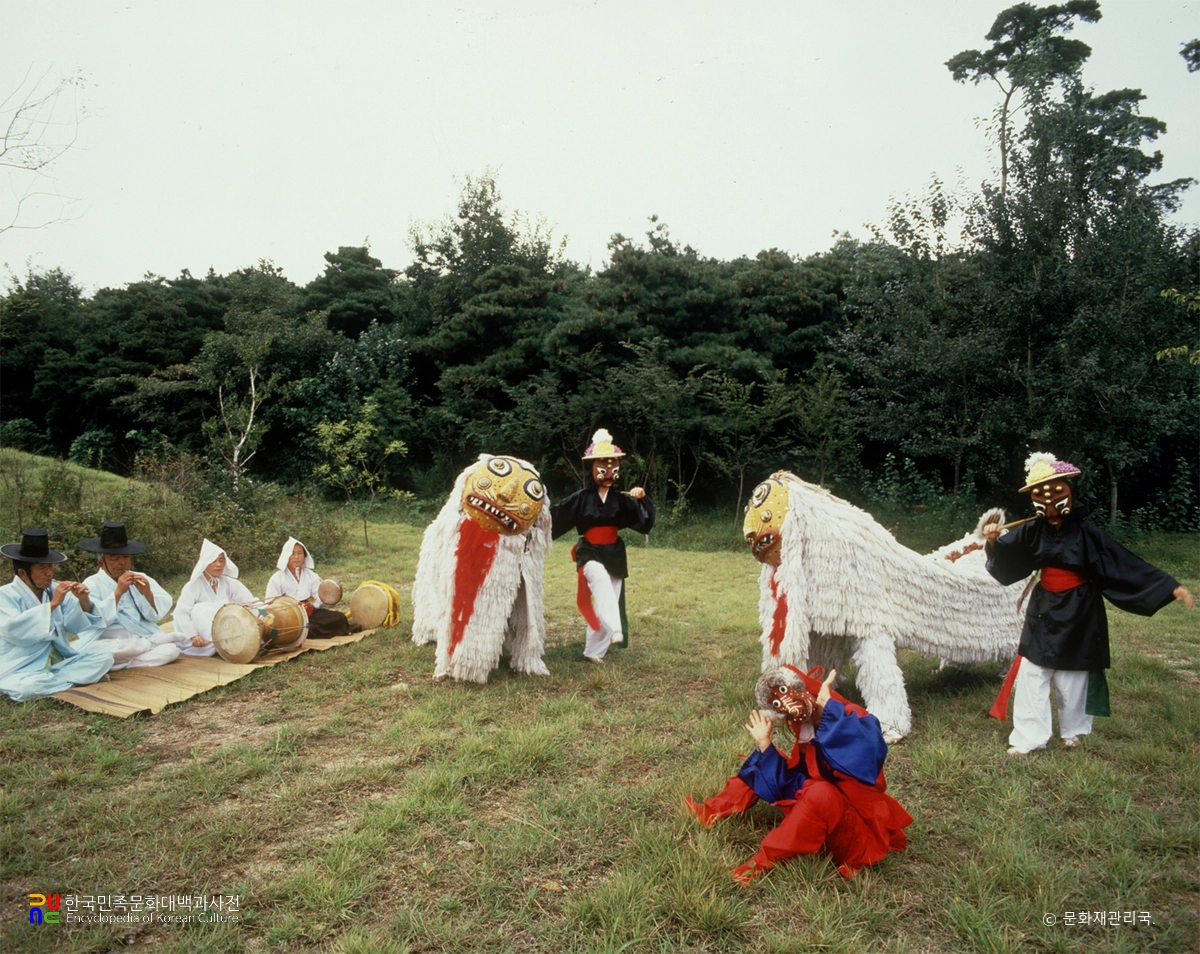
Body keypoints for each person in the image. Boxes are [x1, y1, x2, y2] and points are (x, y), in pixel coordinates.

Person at [984, 453, 1193, 755]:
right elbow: (1009, 557)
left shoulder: (1087, 533)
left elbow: (1123, 563)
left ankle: (1073, 730)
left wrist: (1168, 587)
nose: (1052, 510)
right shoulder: (1032, 529)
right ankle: (1030, 736)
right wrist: (992, 541)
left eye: (1058, 498)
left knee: (1074, 671)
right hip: (1043, 607)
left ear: (1069, 493)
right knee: (1033, 671)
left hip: (1080, 607)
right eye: (1043, 500)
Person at [684, 665, 912, 884]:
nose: (786, 703)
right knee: (766, 761)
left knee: (820, 792)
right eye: (776, 701)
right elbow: (801, 774)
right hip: (823, 812)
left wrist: (829, 712)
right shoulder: (805, 731)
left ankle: (762, 862)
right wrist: (765, 745)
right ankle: (710, 812)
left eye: (784, 692)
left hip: (856, 834)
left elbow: (871, 751)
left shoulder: (848, 715)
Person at [550, 428, 655, 663]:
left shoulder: (621, 499)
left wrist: (641, 499)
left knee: (609, 594)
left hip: (614, 552)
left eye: (613, 466)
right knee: (599, 577)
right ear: (592, 466)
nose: (608, 472)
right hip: (589, 551)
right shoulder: (580, 498)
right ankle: (615, 627)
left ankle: (593, 652)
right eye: (603, 466)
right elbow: (556, 515)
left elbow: (644, 522)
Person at [0, 528, 113, 702]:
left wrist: (83, 600)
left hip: (58, 662)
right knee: (26, 688)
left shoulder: (53, 590)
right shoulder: (5, 595)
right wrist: (52, 606)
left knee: (104, 657)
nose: (49, 573)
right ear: (23, 573)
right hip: (20, 665)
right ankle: (75, 680)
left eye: (50, 567)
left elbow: (72, 626)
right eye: (42, 568)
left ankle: (59, 681)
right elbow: (12, 629)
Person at [79, 522, 180, 670]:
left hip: (139, 636)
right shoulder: (91, 584)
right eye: (114, 558)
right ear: (101, 563)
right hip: (108, 639)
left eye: (125, 557)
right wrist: (118, 592)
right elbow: (94, 621)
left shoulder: (141, 578)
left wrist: (147, 593)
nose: (121, 563)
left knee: (171, 651)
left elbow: (156, 613)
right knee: (98, 650)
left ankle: (122, 664)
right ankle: (147, 647)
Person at [172, 539, 255, 657]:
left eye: (221, 560)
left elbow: (248, 601)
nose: (218, 564)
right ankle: (220, 644)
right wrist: (193, 635)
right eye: (213, 561)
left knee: (247, 606)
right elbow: (181, 613)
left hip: (227, 628)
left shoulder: (228, 582)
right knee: (200, 609)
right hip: (201, 633)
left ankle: (235, 639)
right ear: (205, 563)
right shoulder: (193, 586)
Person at [265, 537, 352, 638]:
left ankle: (306, 633)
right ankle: (306, 633)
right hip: (289, 618)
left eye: (299, 553)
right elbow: (271, 604)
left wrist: (309, 605)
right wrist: (290, 612)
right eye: (293, 553)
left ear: (304, 555)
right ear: (286, 556)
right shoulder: (277, 579)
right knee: (299, 628)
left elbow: (315, 597)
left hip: (309, 614)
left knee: (339, 617)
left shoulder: (312, 576)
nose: (296, 557)